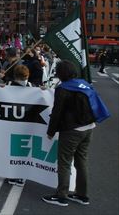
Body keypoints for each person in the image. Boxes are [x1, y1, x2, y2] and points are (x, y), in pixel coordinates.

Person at [42, 60, 96, 207]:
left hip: (72, 130)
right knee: (81, 161)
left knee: (65, 162)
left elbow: (57, 112)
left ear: (60, 73)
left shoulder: (63, 88)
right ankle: (82, 195)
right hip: (89, 127)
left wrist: (50, 131)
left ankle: (62, 196)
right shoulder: (83, 84)